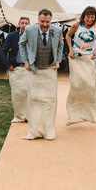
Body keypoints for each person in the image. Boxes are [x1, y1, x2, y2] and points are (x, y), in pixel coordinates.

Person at [19, 9, 63, 140]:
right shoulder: (29, 30)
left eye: (47, 22)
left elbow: (61, 45)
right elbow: (21, 44)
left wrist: (58, 60)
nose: (45, 24)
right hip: (34, 69)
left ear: (51, 20)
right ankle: (34, 131)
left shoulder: (57, 31)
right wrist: (26, 61)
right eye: (42, 21)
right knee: (34, 100)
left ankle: (49, 130)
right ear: (38, 20)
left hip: (50, 70)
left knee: (50, 101)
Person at [65, 6, 96, 126]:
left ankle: (89, 114)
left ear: (94, 18)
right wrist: (70, 49)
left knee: (90, 85)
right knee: (76, 85)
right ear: (84, 16)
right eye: (88, 16)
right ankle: (73, 115)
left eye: (92, 17)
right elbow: (67, 36)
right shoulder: (76, 25)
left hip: (89, 58)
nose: (90, 19)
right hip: (76, 58)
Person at [0, 17, 30, 123]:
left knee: (29, 93)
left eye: (26, 23)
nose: (24, 25)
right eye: (22, 23)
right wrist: (8, 65)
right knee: (17, 94)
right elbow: (3, 51)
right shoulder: (12, 36)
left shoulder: (33, 36)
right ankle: (18, 116)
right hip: (16, 68)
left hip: (28, 69)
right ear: (18, 24)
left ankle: (28, 116)